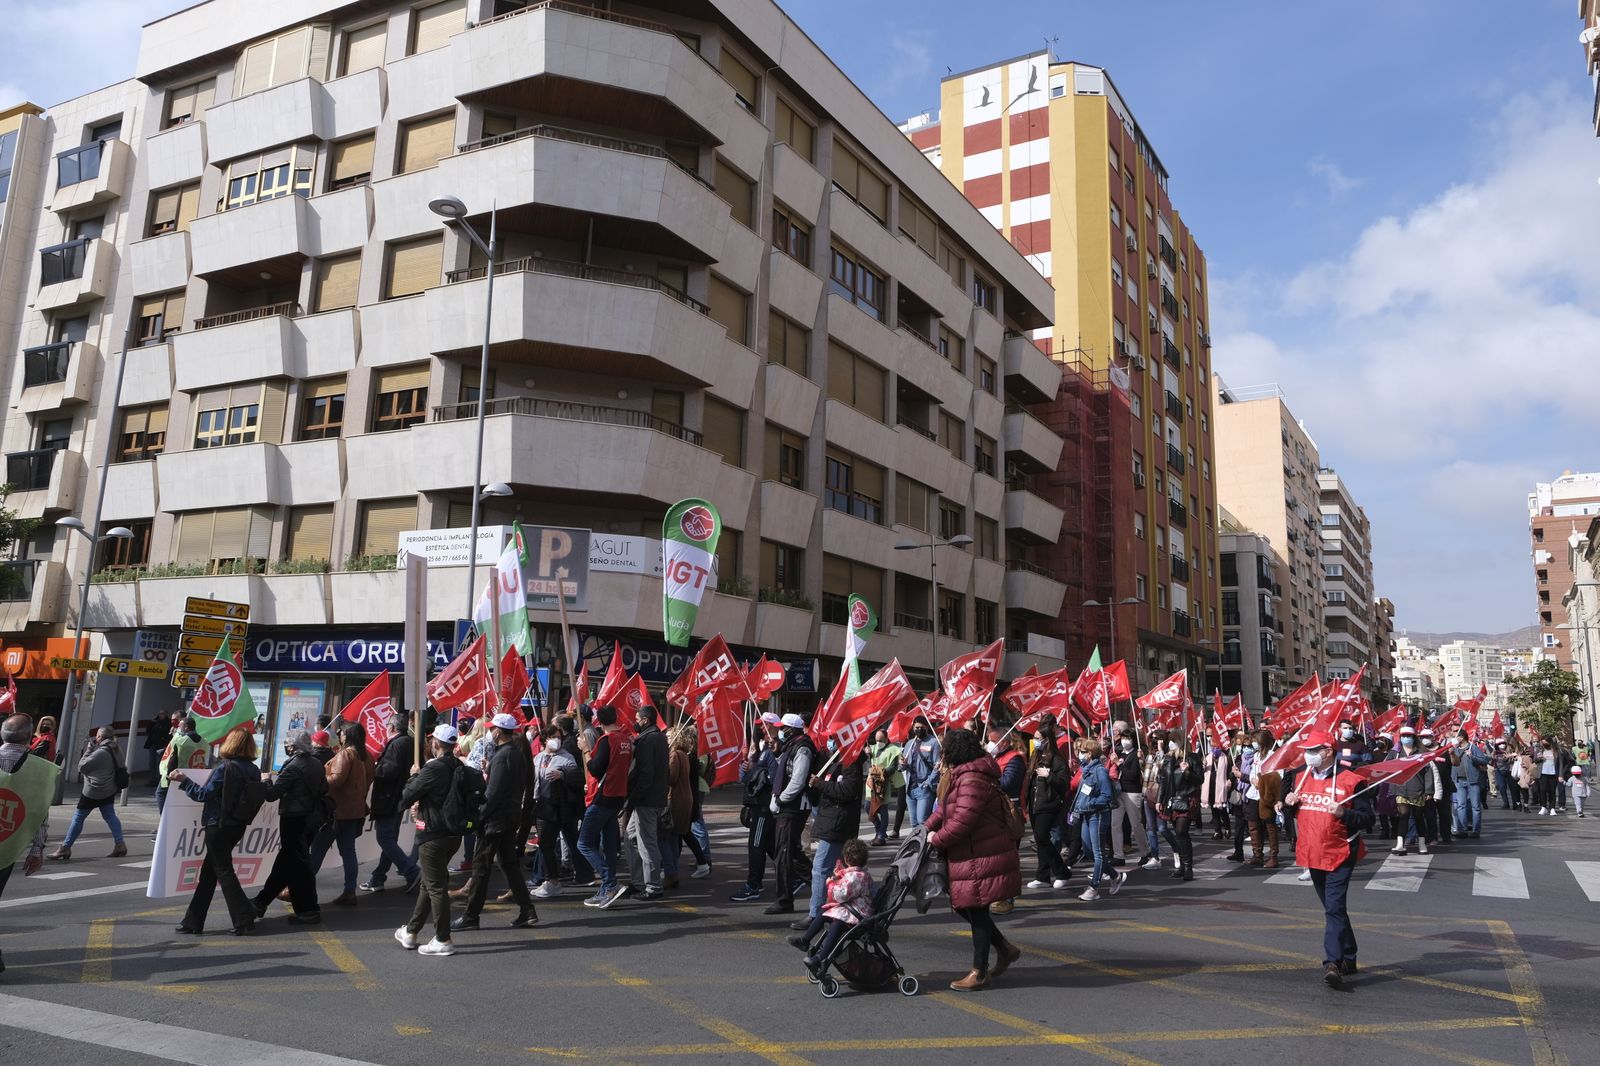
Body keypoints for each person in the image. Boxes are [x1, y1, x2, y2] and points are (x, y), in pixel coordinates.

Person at [926, 727, 1023, 990]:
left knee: (976, 908)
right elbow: (946, 808)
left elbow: (962, 820)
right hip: (971, 851)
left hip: (980, 852)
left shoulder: (971, 778)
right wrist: (925, 827)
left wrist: (936, 839)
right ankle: (1004, 948)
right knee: (964, 905)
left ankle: (979, 971)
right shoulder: (962, 773)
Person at [1279, 730, 1374, 988]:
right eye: (1307, 750)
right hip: (1312, 851)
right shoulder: (1300, 776)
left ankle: (1332, 962)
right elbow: (1293, 812)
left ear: (1328, 752)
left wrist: (1344, 813)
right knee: (1334, 908)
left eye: (1313, 750)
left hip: (1340, 852)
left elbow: (1368, 818)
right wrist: (1289, 803)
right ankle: (1349, 956)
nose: (1308, 755)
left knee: (1333, 908)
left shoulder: (1351, 780)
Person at [172, 727, 262, 936]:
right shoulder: (253, 770)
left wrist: (184, 780)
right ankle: (193, 921)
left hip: (218, 825)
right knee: (209, 873)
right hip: (238, 824)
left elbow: (204, 794)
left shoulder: (225, 767)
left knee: (223, 871)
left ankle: (244, 917)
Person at [453, 713, 538, 931]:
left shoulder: (504, 756)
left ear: (499, 731)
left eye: (492, 729)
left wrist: (479, 817)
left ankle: (471, 915)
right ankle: (527, 910)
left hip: (495, 821)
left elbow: (493, 794)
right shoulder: (514, 754)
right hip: (509, 817)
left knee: (481, 867)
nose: (490, 732)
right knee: (509, 865)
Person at [396, 723, 467, 957]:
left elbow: (408, 795)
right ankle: (411, 931)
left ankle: (443, 939)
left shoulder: (434, 768)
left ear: (436, 743)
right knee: (429, 883)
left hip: (434, 834)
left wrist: (413, 776)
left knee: (435, 887)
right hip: (453, 833)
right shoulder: (459, 765)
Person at [251, 730, 329, 925]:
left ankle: (307, 910)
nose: (285, 746)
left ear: (293, 746)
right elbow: (324, 788)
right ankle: (261, 901)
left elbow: (272, 795)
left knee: (295, 864)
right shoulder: (316, 763)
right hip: (310, 819)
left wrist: (266, 780)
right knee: (289, 862)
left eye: (287, 743)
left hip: (295, 820)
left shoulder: (294, 766)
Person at [0, 713, 51, 972]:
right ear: (30, 737)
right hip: (7, 847)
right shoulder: (39, 769)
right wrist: (37, 850)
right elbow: (40, 813)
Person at [787, 837, 873, 977]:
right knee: (824, 912)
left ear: (846, 859)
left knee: (836, 924)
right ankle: (805, 940)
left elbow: (842, 895)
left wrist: (831, 884)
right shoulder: (859, 874)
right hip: (853, 909)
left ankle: (820, 958)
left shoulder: (855, 877)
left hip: (857, 913)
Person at [803, 739, 864, 931]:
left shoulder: (850, 761)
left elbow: (847, 791)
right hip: (833, 821)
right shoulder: (838, 759)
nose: (830, 742)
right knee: (839, 871)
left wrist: (821, 784)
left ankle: (815, 915)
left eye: (834, 738)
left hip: (838, 824)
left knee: (820, 868)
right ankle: (840, 914)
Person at [311, 722, 374, 906]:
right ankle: (349, 890)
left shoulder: (346, 754)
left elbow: (336, 780)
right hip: (354, 812)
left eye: (342, 732)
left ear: (348, 735)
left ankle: (297, 889)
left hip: (336, 812)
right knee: (348, 852)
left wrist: (318, 777)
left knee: (317, 851)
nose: (339, 735)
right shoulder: (367, 756)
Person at [360, 713, 422, 894]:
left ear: (392, 728)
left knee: (385, 838)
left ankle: (411, 871)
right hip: (400, 798)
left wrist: (374, 768)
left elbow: (389, 771)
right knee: (390, 838)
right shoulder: (411, 743)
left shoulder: (396, 744)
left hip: (389, 798)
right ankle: (378, 877)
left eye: (387, 726)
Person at [577, 706, 632, 909]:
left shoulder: (607, 740)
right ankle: (606, 890)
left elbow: (595, 768)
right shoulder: (626, 740)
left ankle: (610, 883)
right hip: (618, 795)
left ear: (599, 723)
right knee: (608, 846)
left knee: (583, 844)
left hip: (604, 797)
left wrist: (585, 749)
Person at [49, 727, 127, 861]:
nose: (96, 738)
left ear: (101, 737)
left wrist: (89, 750)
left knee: (78, 817)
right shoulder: (116, 748)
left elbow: (82, 767)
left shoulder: (101, 752)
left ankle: (65, 847)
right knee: (110, 815)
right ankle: (120, 844)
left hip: (94, 790)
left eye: (97, 736)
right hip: (109, 789)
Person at [764, 713, 814, 915]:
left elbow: (798, 780)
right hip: (787, 806)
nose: (779, 731)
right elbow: (786, 772)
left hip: (793, 808)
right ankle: (821, 885)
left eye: (782, 728)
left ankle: (785, 900)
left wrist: (780, 799)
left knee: (784, 853)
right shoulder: (790, 747)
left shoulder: (802, 749)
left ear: (791, 730)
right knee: (790, 853)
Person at [531, 722, 587, 897]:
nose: (556, 740)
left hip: (561, 807)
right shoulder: (538, 758)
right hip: (543, 804)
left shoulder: (567, 757)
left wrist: (562, 775)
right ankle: (547, 878)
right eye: (552, 737)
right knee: (547, 843)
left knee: (552, 843)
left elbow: (578, 777)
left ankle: (554, 880)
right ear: (544, 740)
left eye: (558, 737)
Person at [1071, 736, 1126, 902]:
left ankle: (1094, 887)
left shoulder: (1099, 771)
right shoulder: (1086, 770)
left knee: (1098, 853)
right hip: (1087, 814)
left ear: (1090, 753)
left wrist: (1091, 803)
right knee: (1088, 850)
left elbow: (1107, 795)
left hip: (1098, 815)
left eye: (1082, 751)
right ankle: (1115, 876)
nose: (1079, 754)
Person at [625, 706, 669, 901]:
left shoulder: (647, 740)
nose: (635, 721)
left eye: (637, 719)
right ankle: (639, 882)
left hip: (647, 799)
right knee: (631, 836)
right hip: (652, 797)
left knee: (646, 843)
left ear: (645, 720)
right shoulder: (658, 738)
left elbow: (645, 773)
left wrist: (634, 797)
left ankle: (653, 886)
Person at [732, 720, 778, 902]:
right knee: (769, 844)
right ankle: (795, 874)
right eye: (760, 726)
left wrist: (755, 769)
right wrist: (745, 766)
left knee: (756, 845)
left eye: (765, 725)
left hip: (763, 806)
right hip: (756, 803)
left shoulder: (772, 752)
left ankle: (753, 885)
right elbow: (745, 779)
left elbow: (773, 778)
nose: (761, 729)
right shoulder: (759, 750)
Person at [1023, 719, 1072, 889]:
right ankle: (1043, 876)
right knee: (1040, 839)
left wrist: (1049, 775)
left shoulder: (1057, 760)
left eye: (1038, 738)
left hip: (1049, 804)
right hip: (1035, 804)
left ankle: (1062, 871)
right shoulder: (1035, 756)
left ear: (1047, 740)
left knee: (1042, 837)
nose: (1035, 741)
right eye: (1035, 738)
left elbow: (1064, 784)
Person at [663, 726, 712, 888]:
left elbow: (671, 778)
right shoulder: (684, 754)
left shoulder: (678, 755)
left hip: (680, 798)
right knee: (681, 833)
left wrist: (663, 768)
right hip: (687, 797)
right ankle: (679, 866)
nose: (666, 739)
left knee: (678, 833)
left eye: (669, 736)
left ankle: (673, 869)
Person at [153, 714, 206, 840]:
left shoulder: (181, 741)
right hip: (193, 775)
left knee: (160, 795)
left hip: (176, 775)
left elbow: (172, 758)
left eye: (180, 726)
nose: (178, 728)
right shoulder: (204, 741)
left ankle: (165, 824)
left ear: (186, 727)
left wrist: (168, 776)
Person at [1157, 736, 1202, 880]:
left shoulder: (1192, 758)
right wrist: (1159, 800)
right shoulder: (1168, 759)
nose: (1171, 743)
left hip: (1187, 798)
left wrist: (1187, 772)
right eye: (1170, 740)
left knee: (1182, 831)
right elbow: (1162, 781)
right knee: (1178, 833)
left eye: (1174, 740)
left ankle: (1188, 867)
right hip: (1172, 799)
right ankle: (1182, 866)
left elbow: (1200, 779)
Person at [1391, 726, 1437, 855]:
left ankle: (1422, 843)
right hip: (1401, 789)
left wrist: (1429, 790)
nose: (1406, 738)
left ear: (1413, 738)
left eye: (1409, 736)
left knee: (1418, 817)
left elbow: (1428, 772)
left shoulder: (1421, 753)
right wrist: (1392, 788)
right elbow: (1388, 769)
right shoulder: (1395, 753)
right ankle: (1400, 844)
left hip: (1417, 790)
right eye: (1404, 736)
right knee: (1403, 816)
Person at [1110, 727, 1151, 869]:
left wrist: (1119, 763)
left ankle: (1145, 852)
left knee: (1136, 824)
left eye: (1127, 738)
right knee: (1115, 824)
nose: (1124, 741)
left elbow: (1132, 775)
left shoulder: (1136, 755)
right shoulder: (1120, 753)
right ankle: (1118, 855)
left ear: (1133, 740)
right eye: (1123, 738)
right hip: (1119, 792)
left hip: (1132, 792)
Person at [1246, 730, 1282, 869]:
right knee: (1253, 824)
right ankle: (1257, 855)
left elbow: (1278, 775)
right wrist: (1253, 780)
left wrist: (1262, 782)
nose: (1254, 743)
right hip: (1254, 794)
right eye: (1253, 741)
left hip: (1267, 795)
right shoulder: (1256, 755)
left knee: (1269, 825)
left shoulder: (1274, 756)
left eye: (1256, 741)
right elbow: (1252, 772)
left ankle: (1273, 856)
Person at [1448, 731, 1489, 838]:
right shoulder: (1455, 749)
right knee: (1461, 806)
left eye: (1456, 736)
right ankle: (1462, 830)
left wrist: (1472, 756)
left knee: (1475, 807)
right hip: (1459, 781)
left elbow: (1484, 760)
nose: (1454, 739)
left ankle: (1476, 831)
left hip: (1472, 781)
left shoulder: (1473, 748)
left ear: (1462, 737)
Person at [867, 729, 904, 846]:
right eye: (877, 740)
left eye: (881, 740)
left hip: (883, 784)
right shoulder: (872, 748)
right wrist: (867, 754)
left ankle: (881, 836)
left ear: (887, 738)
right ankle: (879, 830)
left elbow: (892, 768)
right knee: (868, 808)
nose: (878, 743)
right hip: (871, 784)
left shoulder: (893, 749)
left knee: (882, 810)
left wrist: (878, 773)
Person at [902, 719, 940, 826]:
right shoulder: (909, 743)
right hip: (910, 789)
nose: (919, 730)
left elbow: (937, 766)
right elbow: (903, 767)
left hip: (923, 788)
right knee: (914, 823)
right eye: (916, 728)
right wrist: (902, 764)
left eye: (921, 727)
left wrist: (928, 783)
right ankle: (917, 838)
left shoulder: (933, 742)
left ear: (927, 727)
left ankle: (925, 837)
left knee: (922, 821)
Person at [1202, 736, 1234, 841]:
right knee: (1214, 811)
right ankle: (1217, 831)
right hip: (1211, 787)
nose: (1215, 749)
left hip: (1221, 787)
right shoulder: (1207, 757)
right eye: (1213, 747)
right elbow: (1202, 772)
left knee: (1222, 810)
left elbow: (1231, 771)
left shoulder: (1226, 758)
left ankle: (1227, 828)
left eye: (1217, 747)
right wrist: (1203, 766)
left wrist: (1230, 780)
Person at [143, 710, 172, 779]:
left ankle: (157, 779)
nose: (160, 715)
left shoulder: (168, 723)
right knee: (152, 762)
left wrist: (166, 745)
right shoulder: (156, 722)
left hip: (161, 745)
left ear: (166, 714)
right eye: (159, 714)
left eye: (162, 714)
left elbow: (168, 735)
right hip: (153, 745)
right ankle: (152, 778)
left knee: (158, 762)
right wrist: (151, 722)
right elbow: (148, 731)